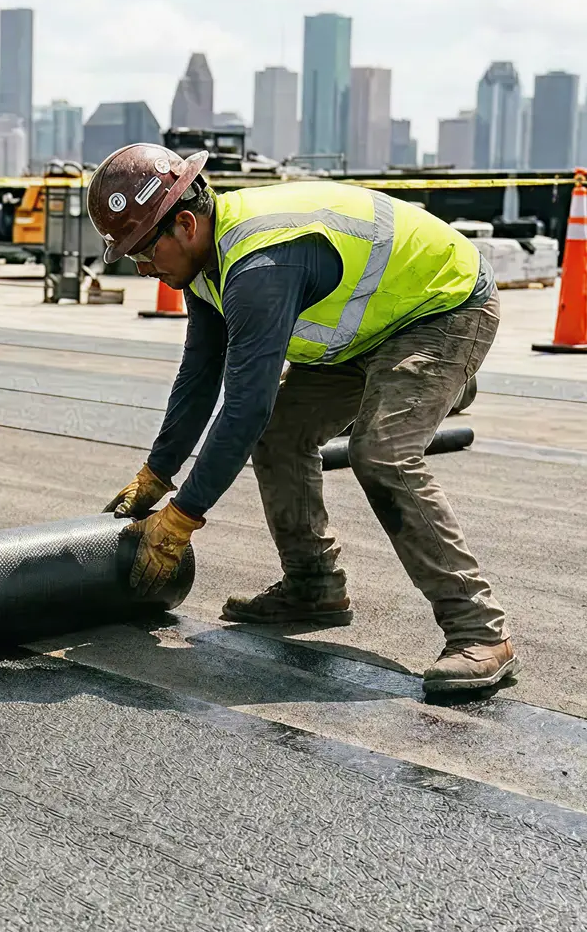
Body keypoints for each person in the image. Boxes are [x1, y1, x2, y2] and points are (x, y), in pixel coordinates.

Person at [91, 143, 513, 696]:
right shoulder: (203, 265)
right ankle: (314, 584)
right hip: (366, 333)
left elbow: (244, 406)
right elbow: (201, 375)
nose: (143, 269)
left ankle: (480, 630)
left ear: (186, 224)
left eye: (144, 252)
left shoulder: (261, 264)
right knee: (280, 434)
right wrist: (157, 473)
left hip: (442, 309)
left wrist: (181, 519)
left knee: (381, 453)